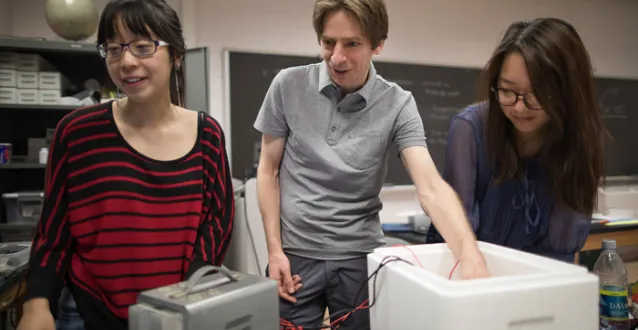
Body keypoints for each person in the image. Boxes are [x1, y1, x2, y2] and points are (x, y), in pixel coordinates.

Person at [253, 0, 490, 328]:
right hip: (295, 258)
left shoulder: (398, 104)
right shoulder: (287, 85)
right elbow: (268, 170)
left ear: (378, 44)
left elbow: (431, 186)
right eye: (328, 43)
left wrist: (469, 254)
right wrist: (274, 250)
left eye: (352, 44)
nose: (337, 57)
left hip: (361, 260)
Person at [17, 1, 235, 330]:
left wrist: (190, 293)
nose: (127, 62)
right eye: (114, 49)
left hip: (175, 312)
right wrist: (37, 303)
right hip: (88, 311)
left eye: (143, 46)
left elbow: (217, 224)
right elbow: (53, 231)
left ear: (175, 55)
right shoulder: (77, 133)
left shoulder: (207, 136)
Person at [426, 18, 606, 263]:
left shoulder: (579, 139)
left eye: (537, 94)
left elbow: (560, 252)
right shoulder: (470, 129)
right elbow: (457, 235)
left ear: (568, 92)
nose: (520, 107)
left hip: (539, 281)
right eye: (508, 91)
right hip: (467, 273)